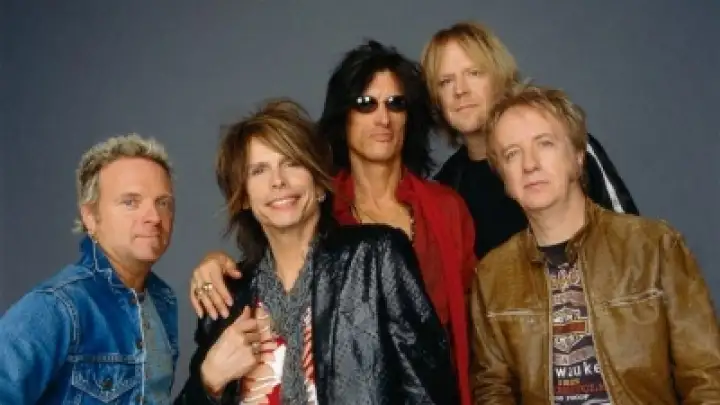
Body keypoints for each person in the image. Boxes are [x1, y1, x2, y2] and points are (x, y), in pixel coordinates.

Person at [186, 41, 476, 404]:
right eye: (258, 171)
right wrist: (209, 378)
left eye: (292, 164)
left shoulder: (379, 252)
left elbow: (430, 388)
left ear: (320, 183)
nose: (278, 181)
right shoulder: (228, 300)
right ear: (241, 195)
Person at [469, 84, 720, 403]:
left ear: (577, 157)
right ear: (503, 177)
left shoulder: (655, 247)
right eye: (512, 153)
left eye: (544, 144)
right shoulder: (492, 276)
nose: (529, 164)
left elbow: (706, 378)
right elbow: (492, 390)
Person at [421, 21, 639, 259]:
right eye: (445, 82)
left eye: (474, 73)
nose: (460, 90)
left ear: (499, 78)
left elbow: (633, 242)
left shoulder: (564, 147)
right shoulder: (446, 188)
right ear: (436, 98)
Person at [0, 134, 178, 404]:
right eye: (130, 202)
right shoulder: (57, 306)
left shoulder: (163, 302)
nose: (154, 217)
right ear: (90, 217)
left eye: (162, 202)